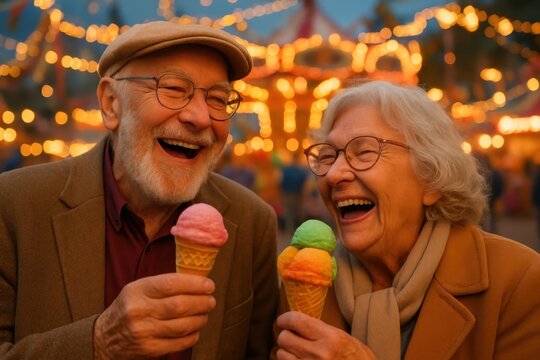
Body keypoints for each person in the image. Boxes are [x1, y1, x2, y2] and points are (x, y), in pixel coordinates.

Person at [0, 21, 279, 359]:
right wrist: (100, 342)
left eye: (218, 99)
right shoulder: (14, 205)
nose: (201, 117)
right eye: (174, 89)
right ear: (111, 104)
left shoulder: (252, 223)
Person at [274, 81, 540, 359]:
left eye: (364, 152)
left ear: (431, 177)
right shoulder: (303, 280)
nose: (333, 174)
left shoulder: (519, 282)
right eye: (328, 156)